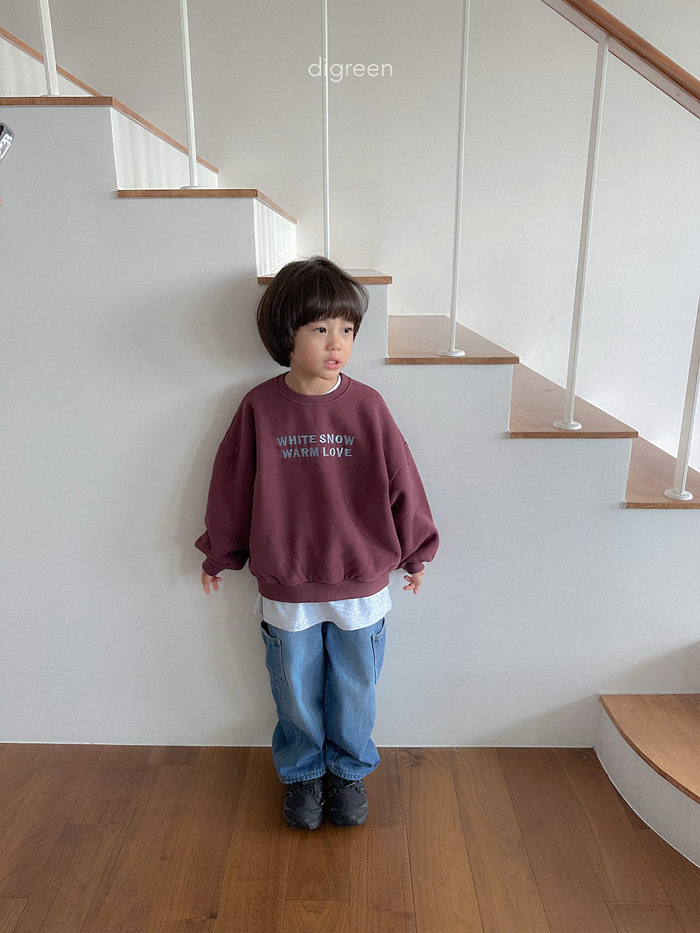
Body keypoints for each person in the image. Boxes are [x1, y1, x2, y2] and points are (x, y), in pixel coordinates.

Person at [195, 256, 439, 830]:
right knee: (295, 687)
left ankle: (347, 772)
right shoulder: (259, 407)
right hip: (288, 580)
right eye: (321, 328)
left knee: (356, 687)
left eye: (348, 330)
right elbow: (232, 486)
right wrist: (220, 553)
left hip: (361, 582)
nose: (337, 344)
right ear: (287, 332)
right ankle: (303, 775)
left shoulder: (367, 405)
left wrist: (417, 550)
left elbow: (402, 480)